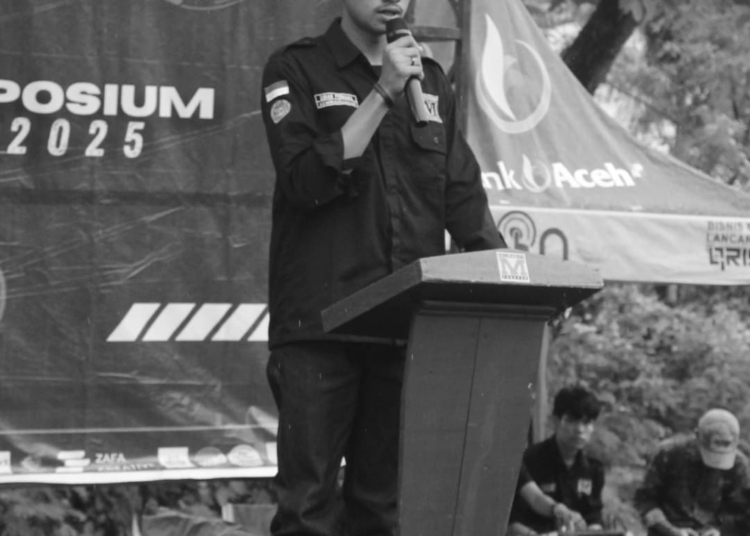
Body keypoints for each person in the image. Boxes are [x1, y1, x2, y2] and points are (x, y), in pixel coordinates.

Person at [259, 0, 506, 535]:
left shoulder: (431, 79)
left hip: (401, 328)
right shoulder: (295, 67)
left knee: (381, 510)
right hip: (320, 327)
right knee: (307, 509)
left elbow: (462, 197)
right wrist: (382, 93)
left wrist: (513, 279)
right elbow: (303, 182)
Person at [633, 408, 750, 536]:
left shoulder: (738, 466)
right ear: (697, 436)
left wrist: (717, 529)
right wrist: (669, 530)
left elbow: (740, 512)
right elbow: (644, 500)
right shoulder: (669, 454)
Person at [507, 385, 605, 535]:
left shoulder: (594, 468)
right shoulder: (528, 460)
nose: (579, 430)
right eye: (571, 420)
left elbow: (594, 517)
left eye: (586, 423)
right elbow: (532, 501)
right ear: (555, 421)